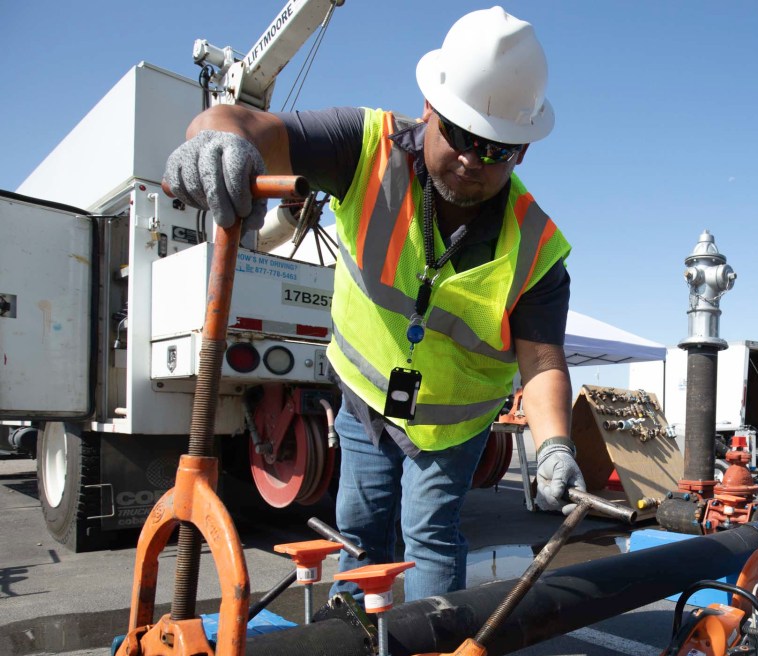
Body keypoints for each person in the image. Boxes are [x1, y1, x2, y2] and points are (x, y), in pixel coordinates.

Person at [163, 7, 585, 602]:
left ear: (522, 152)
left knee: (430, 534)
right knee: (359, 530)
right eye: (463, 137)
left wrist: (555, 447)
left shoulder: (538, 249)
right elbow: (244, 120)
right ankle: (356, 645)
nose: (473, 160)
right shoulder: (366, 148)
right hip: (365, 399)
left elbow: (542, 365)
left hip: (453, 426)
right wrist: (215, 140)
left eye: (497, 150)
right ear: (430, 110)